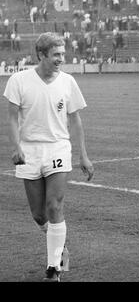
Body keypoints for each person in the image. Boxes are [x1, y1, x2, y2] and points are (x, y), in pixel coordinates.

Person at [3, 32, 94, 282]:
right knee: (39, 215)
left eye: (63, 54)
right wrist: (16, 146)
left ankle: (54, 268)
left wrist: (83, 155)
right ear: (41, 55)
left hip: (57, 148)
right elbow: (11, 117)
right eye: (56, 55)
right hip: (29, 151)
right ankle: (60, 245)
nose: (61, 59)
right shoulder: (19, 80)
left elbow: (75, 120)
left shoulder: (67, 82)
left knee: (55, 206)